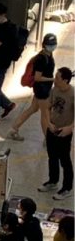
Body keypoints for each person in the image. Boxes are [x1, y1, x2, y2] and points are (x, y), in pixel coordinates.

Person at [8, 34, 57, 141]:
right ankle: (48, 139)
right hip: (42, 90)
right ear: (45, 45)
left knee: (33, 109)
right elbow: (37, 77)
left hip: (42, 88)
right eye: (50, 45)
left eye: (53, 44)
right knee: (45, 115)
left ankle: (14, 128)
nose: (52, 46)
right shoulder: (41, 59)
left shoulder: (48, 55)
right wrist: (53, 79)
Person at [44, 67, 73, 200]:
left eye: (57, 78)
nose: (55, 80)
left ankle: (67, 188)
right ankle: (53, 181)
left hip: (64, 132)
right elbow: (48, 107)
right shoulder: (54, 89)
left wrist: (70, 127)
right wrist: (49, 123)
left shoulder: (72, 94)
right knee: (52, 157)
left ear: (65, 80)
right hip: (52, 128)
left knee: (65, 160)